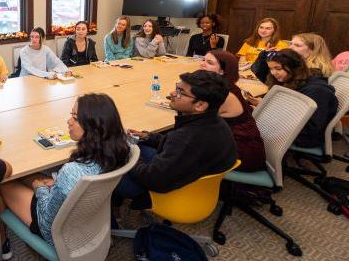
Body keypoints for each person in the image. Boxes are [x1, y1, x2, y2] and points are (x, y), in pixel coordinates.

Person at [0, 94, 130, 256]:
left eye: (75, 117)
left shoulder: (72, 171)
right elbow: (73, 183)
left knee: (3, 179)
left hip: (55, 230)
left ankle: (1, 244)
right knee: (25, 175)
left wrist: (40, 189)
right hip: (86, 217)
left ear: (92, 127)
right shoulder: (118, 152)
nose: (69, 121)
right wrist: (58, 183)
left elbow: (47, 219)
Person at [113, 70, 237, 210]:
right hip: (187, 178)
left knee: (105, 162)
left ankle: (111, 212)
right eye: (176, 87)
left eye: (180, 91)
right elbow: (176, 146)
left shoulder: (187, 138)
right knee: (138, 145)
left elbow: (152, 179)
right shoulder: (215, 122)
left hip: (168, 191)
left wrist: (128, 153)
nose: (172, 93)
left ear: (200, 105)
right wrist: (148, 137)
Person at [247, 50, 338, 149]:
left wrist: (268, 110)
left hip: (304, 136)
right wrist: (265, 105)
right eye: (271, 69)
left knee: (245, 128)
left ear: (294, 67)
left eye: (278, 68)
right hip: (289, 126)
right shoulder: (292, 80)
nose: (273, 73)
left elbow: (311, 128)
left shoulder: (317, 91)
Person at [199, 50, 266, 172]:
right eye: (203, 60)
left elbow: (196, 119)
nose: (202, 64)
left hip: (241, 153)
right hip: (231, 141)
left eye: (209, 62)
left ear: (222, 71)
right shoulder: (222, 86)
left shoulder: (224, 93)